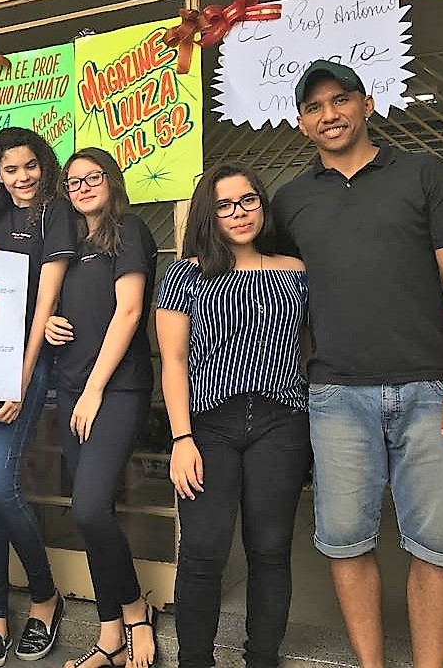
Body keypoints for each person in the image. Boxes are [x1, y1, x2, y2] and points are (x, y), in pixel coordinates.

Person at [274, 60, 443, 668]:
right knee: (345, 542)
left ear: (366, 104)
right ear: (302, 124)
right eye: (314, 108)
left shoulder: (425, 174)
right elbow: (272, 285)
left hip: (432, 387)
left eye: (339, 101)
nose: (328, 115)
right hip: (336, 394)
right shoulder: (290, 200)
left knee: (440, 547)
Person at [156, 163, 311, 668]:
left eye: (247, 201)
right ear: (209, 214)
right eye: (224, 205)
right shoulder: (186, 273)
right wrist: (181, 439)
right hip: (207, 426)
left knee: (269, 551)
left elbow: (311, 347)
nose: (238, 213)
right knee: (202, 552)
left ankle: (261, 658)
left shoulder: (295, 270)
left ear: (262, 205)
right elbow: (174, 360)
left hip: (281, 422)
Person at [0, 126, 76, 667]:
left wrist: (19, 377)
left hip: (26, 363)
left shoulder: (54, 213)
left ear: (43, 165)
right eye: (8, 170)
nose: (21, 178)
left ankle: (44, 596)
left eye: (29, 166)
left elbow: (44, 302)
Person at [44, 147, 158, 668]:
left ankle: (135, 610)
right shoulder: (67, 244)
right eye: (73, 181)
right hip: (70, 389)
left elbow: (130, 310)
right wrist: (47, 326)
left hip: (115, 390)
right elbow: (53, 307)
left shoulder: (129, 231)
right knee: (91, 515)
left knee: (90, 507)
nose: (83, 186)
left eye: (93, 177)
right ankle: (109, 632)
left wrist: (94, 388)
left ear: (111, 181)